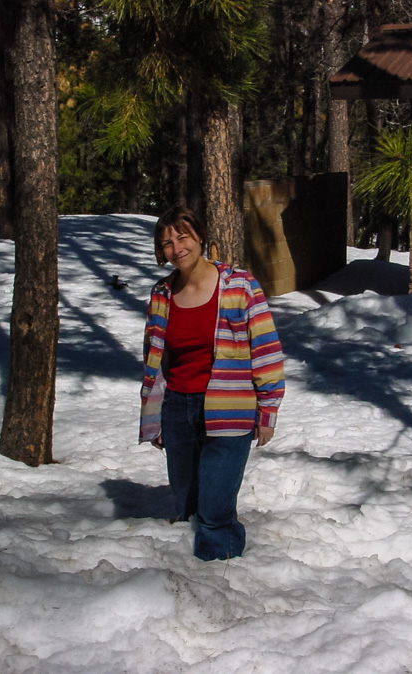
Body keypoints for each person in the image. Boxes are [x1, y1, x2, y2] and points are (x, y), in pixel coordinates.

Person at [138, 206, 285, 561]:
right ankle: (189, 583)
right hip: (178, 409)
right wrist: (155, 416)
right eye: (167, 243)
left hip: (229, 408)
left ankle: (221, 577)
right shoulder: (162, 293)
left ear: (200, 237)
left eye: (182, 237)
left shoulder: (240, 286)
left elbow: (265, 348)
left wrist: (268, 410)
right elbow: (154, 360)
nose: (176, 247)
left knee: (215, 510)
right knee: (187, 503)